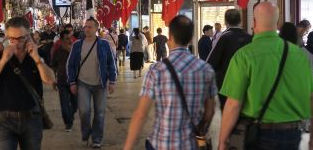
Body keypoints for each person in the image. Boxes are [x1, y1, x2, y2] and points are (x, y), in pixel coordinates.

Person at [218, 3, 313, 150]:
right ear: (277, 23)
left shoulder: (244, 55)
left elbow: (233, 104)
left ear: (254, 22)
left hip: (258, 135)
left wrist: (223, 141)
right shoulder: (298, 54)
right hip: (292, 133)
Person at [124, 15, 216, 150]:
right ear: (191, 39)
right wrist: (201, 129)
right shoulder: (206, 70)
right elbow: (210, 111)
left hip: (161, 143)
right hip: (191, 144)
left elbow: (141, 114)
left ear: (170, 37)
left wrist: (128, 147)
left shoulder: (157, 70)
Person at [0, 16, 55, 149]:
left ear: (29, 35)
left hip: (32, 117)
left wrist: (37, 59)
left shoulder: (40, 54)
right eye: (12, 39)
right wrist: (3, 60)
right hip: (4, 119)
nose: (17, 43)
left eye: (21, 38)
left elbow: (50, 80)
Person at [67, 18, 117, 149]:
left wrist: (112, 81)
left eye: (90, 27)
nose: (87, 29)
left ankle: (96, 139)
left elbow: (111, 63)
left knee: (100, 113)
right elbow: (71, 65)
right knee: (84, 112)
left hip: (100, 84)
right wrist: (72, 82)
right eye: (85, 27)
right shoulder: (77, 45)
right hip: (82, 83)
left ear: (96, 29)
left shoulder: (104, 45)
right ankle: (85, 135)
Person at [206, 8, 252, 109]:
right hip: (247, 84)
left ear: (225, 21)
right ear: (240, 20)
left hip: (226, 85)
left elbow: (211, 62)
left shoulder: (224, 38)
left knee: (227, 114)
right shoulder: (250, 38)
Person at [51, 29, 78, 132]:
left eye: (71, 38)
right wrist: (54, 80)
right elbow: (53, 66)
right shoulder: (57, 51)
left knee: (75, 104)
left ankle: (70, 116)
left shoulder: (76, 50)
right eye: (67, 38)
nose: (70, 40)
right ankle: (68, 123)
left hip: (75, 82)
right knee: (64, 103)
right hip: (62, 81)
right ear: (62, 40)